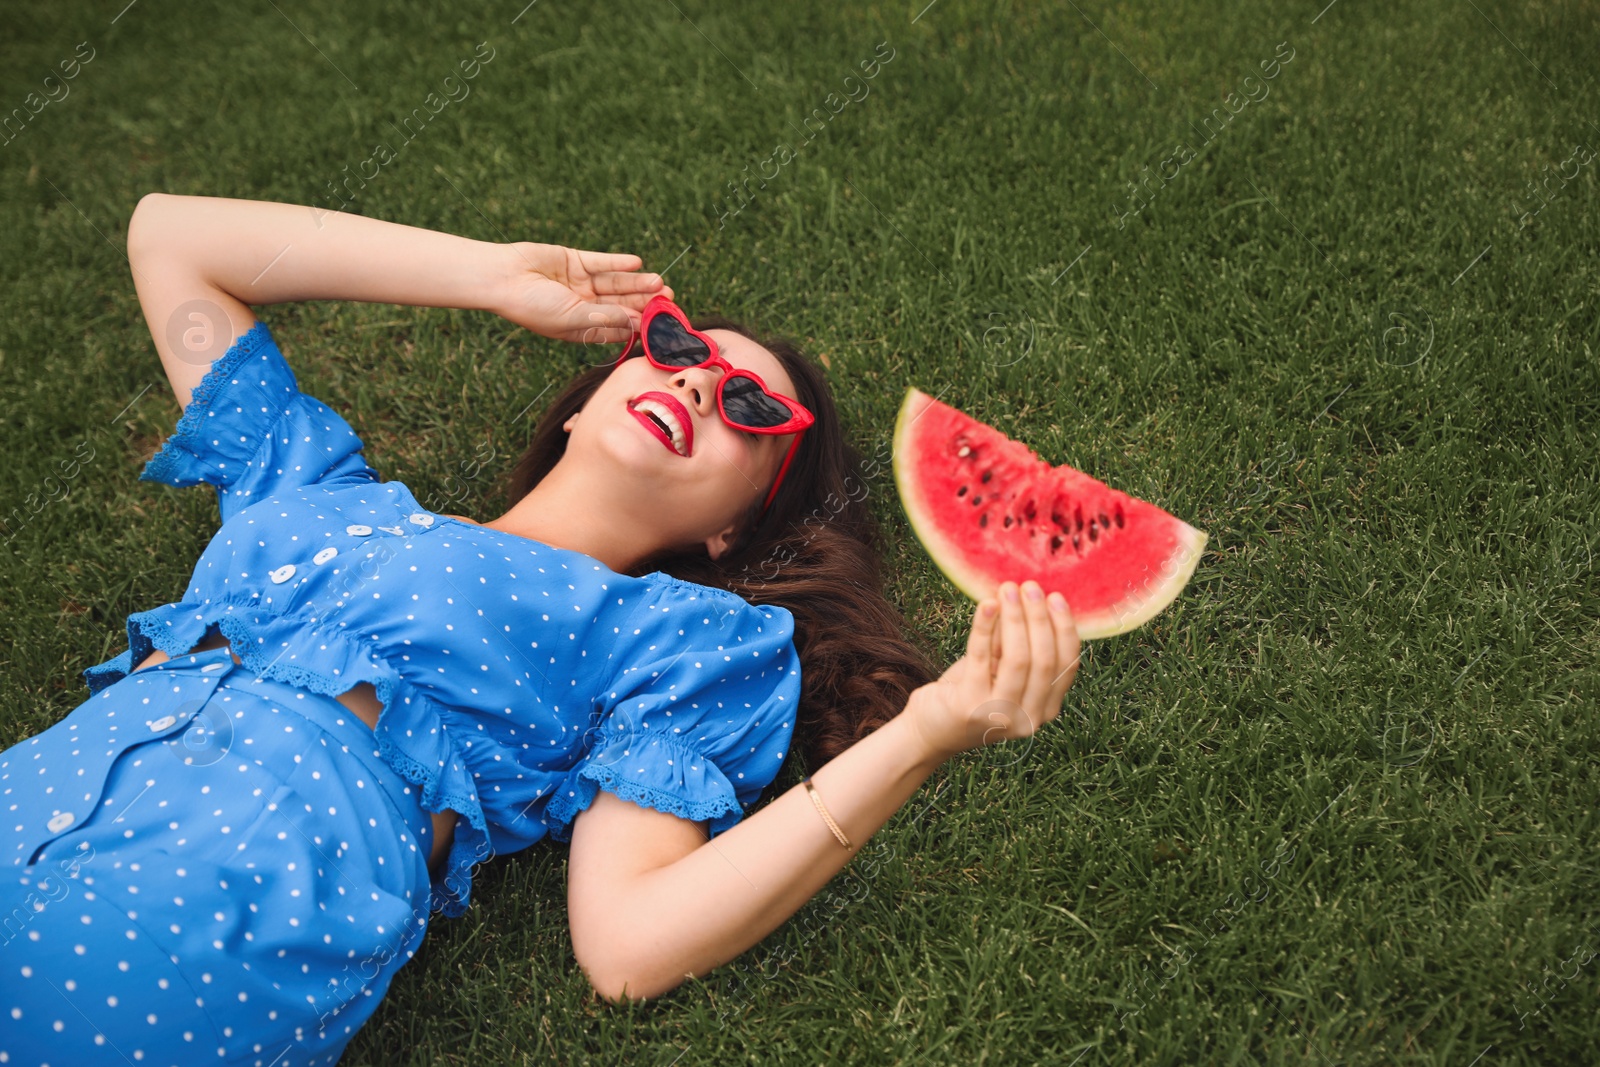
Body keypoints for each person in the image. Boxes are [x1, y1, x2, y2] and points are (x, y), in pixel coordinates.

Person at [1, 193, 1082, 1065]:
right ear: (583, 398)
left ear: (735, 529)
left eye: (752, 408)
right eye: (674, 345)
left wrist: (924, 733)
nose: (701, 381)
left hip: (218, 907)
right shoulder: (309, 485)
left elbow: (628, 947)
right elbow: (171, 238)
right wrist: (486, 275)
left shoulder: (682, 639)